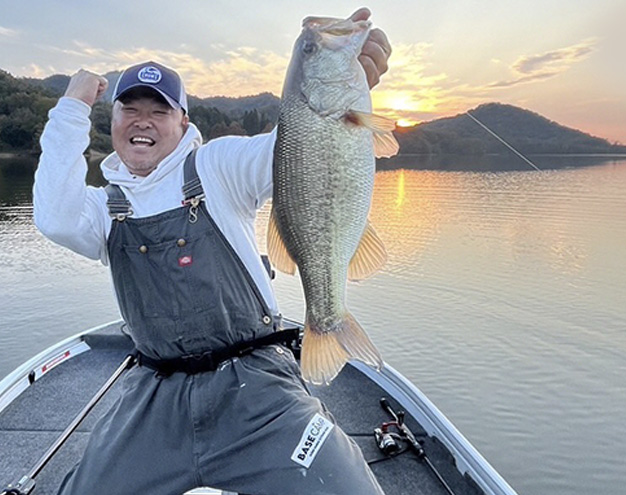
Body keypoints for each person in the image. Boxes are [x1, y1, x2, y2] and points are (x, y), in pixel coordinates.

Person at [33, 8, 391, 495]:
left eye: (159, 111)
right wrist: (70, 109)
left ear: (183, 122)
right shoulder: (100, 209)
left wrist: (342, 85)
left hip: (258, 386)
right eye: (130, 109)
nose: (144, 122)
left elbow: (296, 151)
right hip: (154, 392)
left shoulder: (218, 165)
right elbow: (53, 215)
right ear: (111, 119)